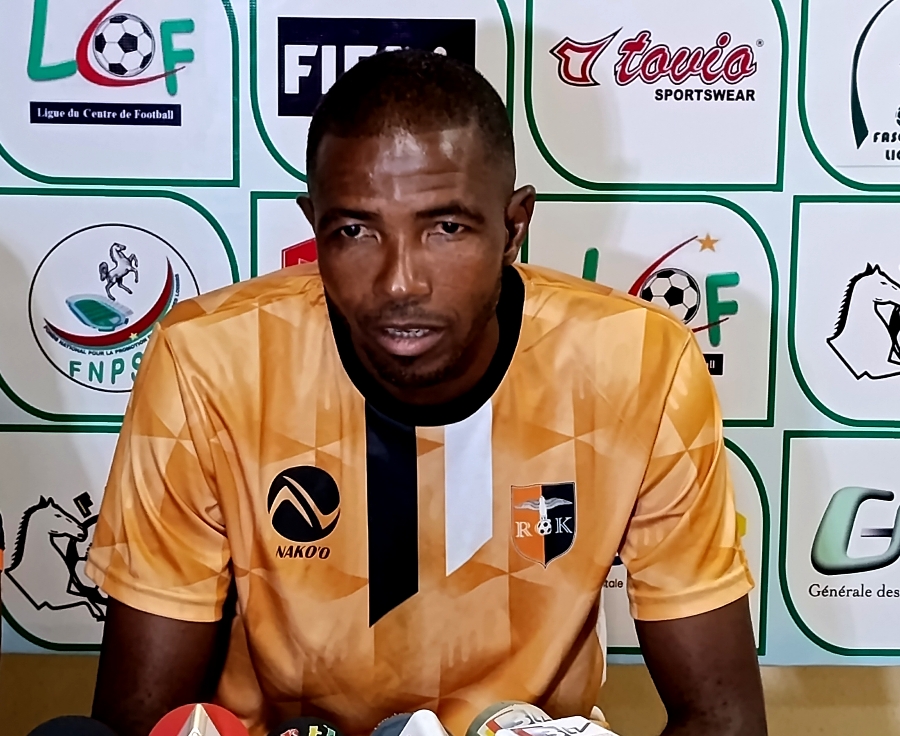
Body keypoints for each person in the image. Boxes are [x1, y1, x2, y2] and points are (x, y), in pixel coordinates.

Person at [86, 50, 766, 736]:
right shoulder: (207, 361)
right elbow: (138, 720)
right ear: (314, 227)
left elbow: (722, 715)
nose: (400, 282)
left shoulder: (640, 364)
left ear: (514, 227)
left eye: (446, 227)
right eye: (355, 230)